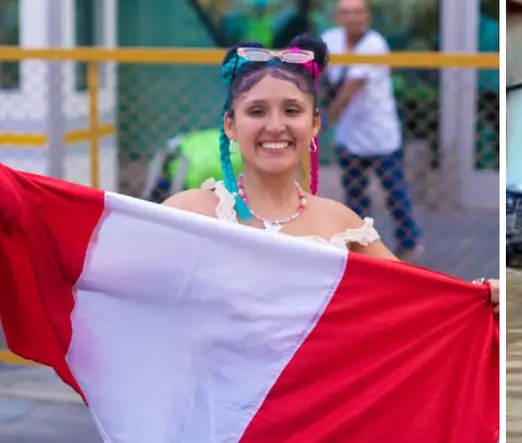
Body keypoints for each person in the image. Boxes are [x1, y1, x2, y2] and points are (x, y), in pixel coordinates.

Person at [162, 35, 498, 312]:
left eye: (292, 111)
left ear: (314, 124)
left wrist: (482, 298)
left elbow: (425, 301)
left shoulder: (342, 225)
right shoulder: (188, 214)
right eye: (257, 111)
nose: (275, 126)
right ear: (230, 125)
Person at [321, 0, 423, 261]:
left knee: (394, 191)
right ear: (338, 17)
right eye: (346, 12)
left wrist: (321, 124)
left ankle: (409, 242)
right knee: (355, 194)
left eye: (357, 12)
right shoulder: (329, 40)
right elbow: (318, 76)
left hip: (379, 133)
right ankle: (360, 247)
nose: (352, 17)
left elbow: (348, 91)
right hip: (349, 132)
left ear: (366, 16)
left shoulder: (374, 44)